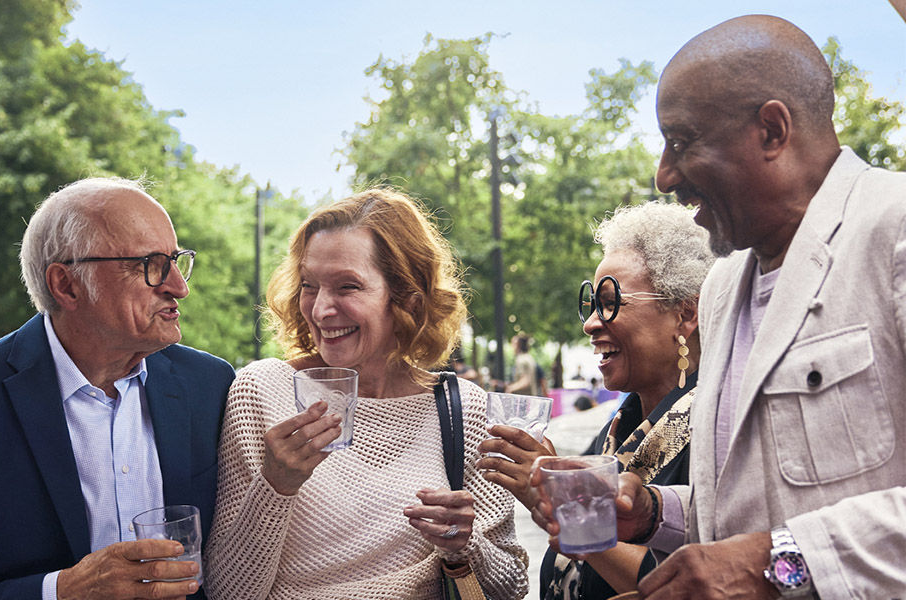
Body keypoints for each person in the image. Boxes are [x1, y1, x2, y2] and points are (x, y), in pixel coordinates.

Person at [532, 15, 906, 599]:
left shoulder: (893, 230)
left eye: (681, 142)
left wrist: (775, 566)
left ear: (772, 131)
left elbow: (767, 548)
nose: (663, 176)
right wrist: (653, 510)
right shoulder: (726, 283)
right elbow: (749, 502)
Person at [0, 177, 235, 600]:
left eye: (176, 261)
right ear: (66, 285)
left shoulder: (211, 384)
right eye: (150, 264)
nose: (178, 287)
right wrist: (65, 590)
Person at [204, 189, 528, 599]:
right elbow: (227, 592)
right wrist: (276, 484)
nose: (320, 309)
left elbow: (512, 587)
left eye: (347, 287)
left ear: (407, 300)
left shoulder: (465, 409)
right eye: (309, 285)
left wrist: (463, 546)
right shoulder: (263, 392)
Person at [480, 202, 714, 599]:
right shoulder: (623, 425)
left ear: (685, 314)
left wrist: (567, 513)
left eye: (610, 302)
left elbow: (692, 583)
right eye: (591, 304)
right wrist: (551, 485)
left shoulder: (716, 427)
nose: (590, 323)